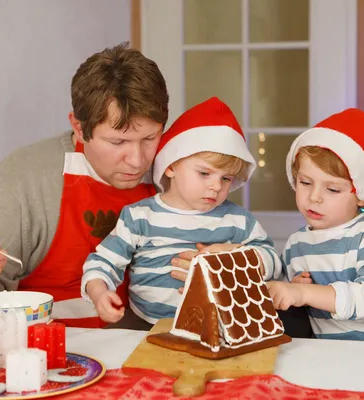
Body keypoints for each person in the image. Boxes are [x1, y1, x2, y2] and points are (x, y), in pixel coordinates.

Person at [0, 42, 171, 328]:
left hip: (149, 346)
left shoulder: (176, 166)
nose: (138, 161)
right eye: (118, 142)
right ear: (79, 128)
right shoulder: (26, 177)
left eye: (150, 138)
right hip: (44, 349)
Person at [81, 97, 282, 327]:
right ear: (171, 166)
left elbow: (274, 263)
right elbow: (103, 262)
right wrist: (99, 293)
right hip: (145, 325)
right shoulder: (139, 217)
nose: (216, 186)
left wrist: (235, 257)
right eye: (205, 173)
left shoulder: (236, 220)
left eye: (226, 178)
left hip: (217, 327)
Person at [266, 108, 364, 343]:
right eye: (305, 182)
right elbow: (295, 310)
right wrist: (292, 290)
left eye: (332, 189)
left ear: (360, 195)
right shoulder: (295, 245)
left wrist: (304, 292)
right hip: (335, 359)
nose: (314, 197)